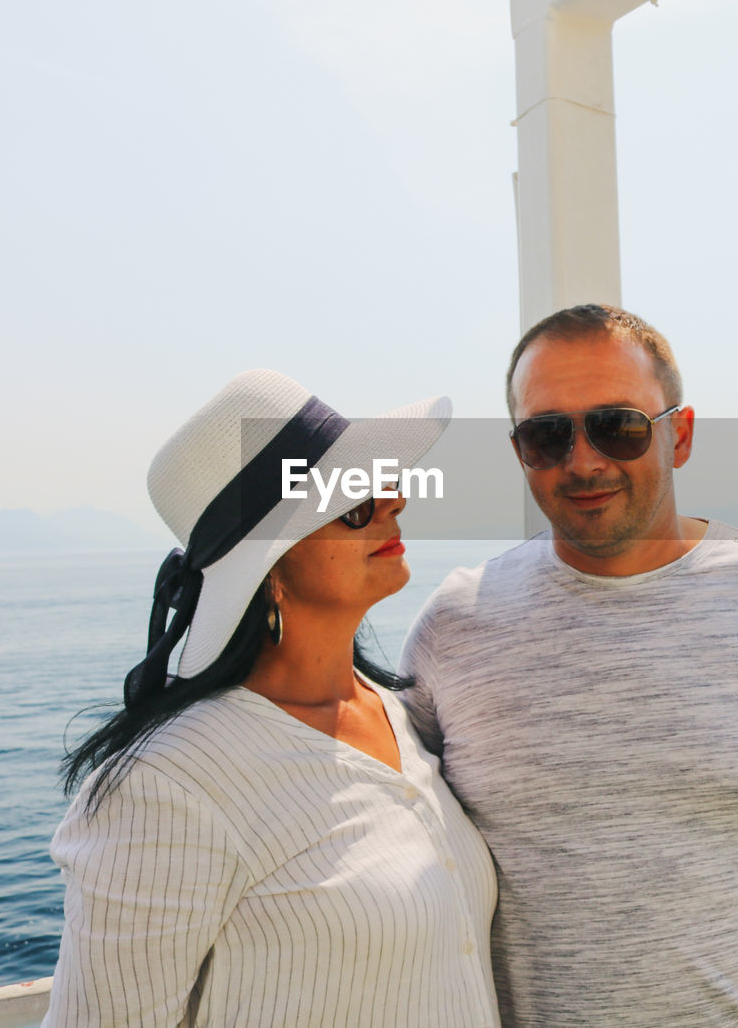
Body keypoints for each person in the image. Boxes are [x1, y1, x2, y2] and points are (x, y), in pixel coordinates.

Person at [401, 304, 738, 1027]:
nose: (582, 460)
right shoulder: (453, 623)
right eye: (546, 434)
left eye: (618, 426)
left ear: (678, 435)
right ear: (519, 450)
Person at [44, 370, 500, 1028]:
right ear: (269, 570)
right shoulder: (168, 787)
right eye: (351, 501)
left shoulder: (398, 713)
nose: (393, 499)